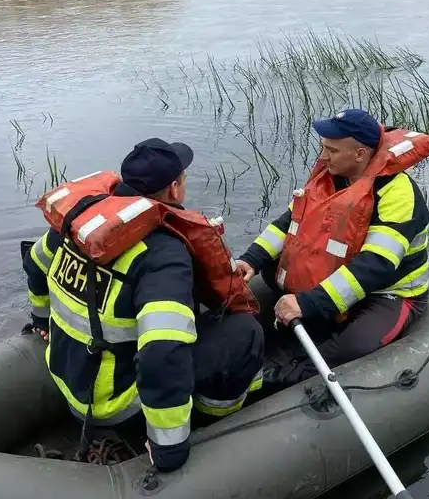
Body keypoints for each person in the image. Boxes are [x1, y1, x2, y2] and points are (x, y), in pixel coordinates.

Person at [22, 137, 264, 473]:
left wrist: (40, 321)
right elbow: (162, 353)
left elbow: (35, 264)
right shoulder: (163, 255)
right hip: (118, 405)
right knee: (245, 332)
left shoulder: (82, 225)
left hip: (68, 378)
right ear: (174, 189)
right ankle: (211, 419)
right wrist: (169, 447)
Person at [235, 109, 429, 392]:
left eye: (332, 150)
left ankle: (285, 378)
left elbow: (375, 265)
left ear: (359, 154)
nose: (324, 156)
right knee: (274, 269)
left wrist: (309, 303)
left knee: (356, 344)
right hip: (336, 274)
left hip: (388, 293)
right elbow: (289, 223)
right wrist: (251, 260)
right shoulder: (330, 179)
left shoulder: (397, 193)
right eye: (323, 147)